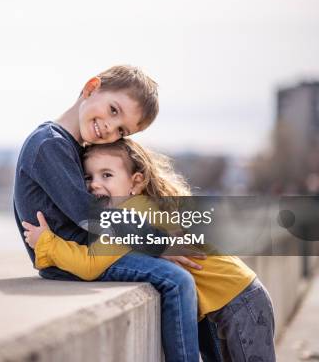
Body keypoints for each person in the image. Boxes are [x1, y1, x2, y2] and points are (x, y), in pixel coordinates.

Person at [23, 139, 276, 362]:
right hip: (233, 299)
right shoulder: (142, 207)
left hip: (242, 303)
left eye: (107, 175)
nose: (94, 185)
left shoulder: (130, 215)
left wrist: (47, 243)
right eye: (88, 178)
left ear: (136, 181)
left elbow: (90, 265)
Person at [13, 65, 201, 362]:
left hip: (94, 249)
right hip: (72, 258)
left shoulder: (71, 146)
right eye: (113, 110)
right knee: (178, 281)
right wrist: (157, 243)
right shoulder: (50, 144)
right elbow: (89, 213)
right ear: (90, 88)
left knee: (191, 273)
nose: (110, 129)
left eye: (122, 130)